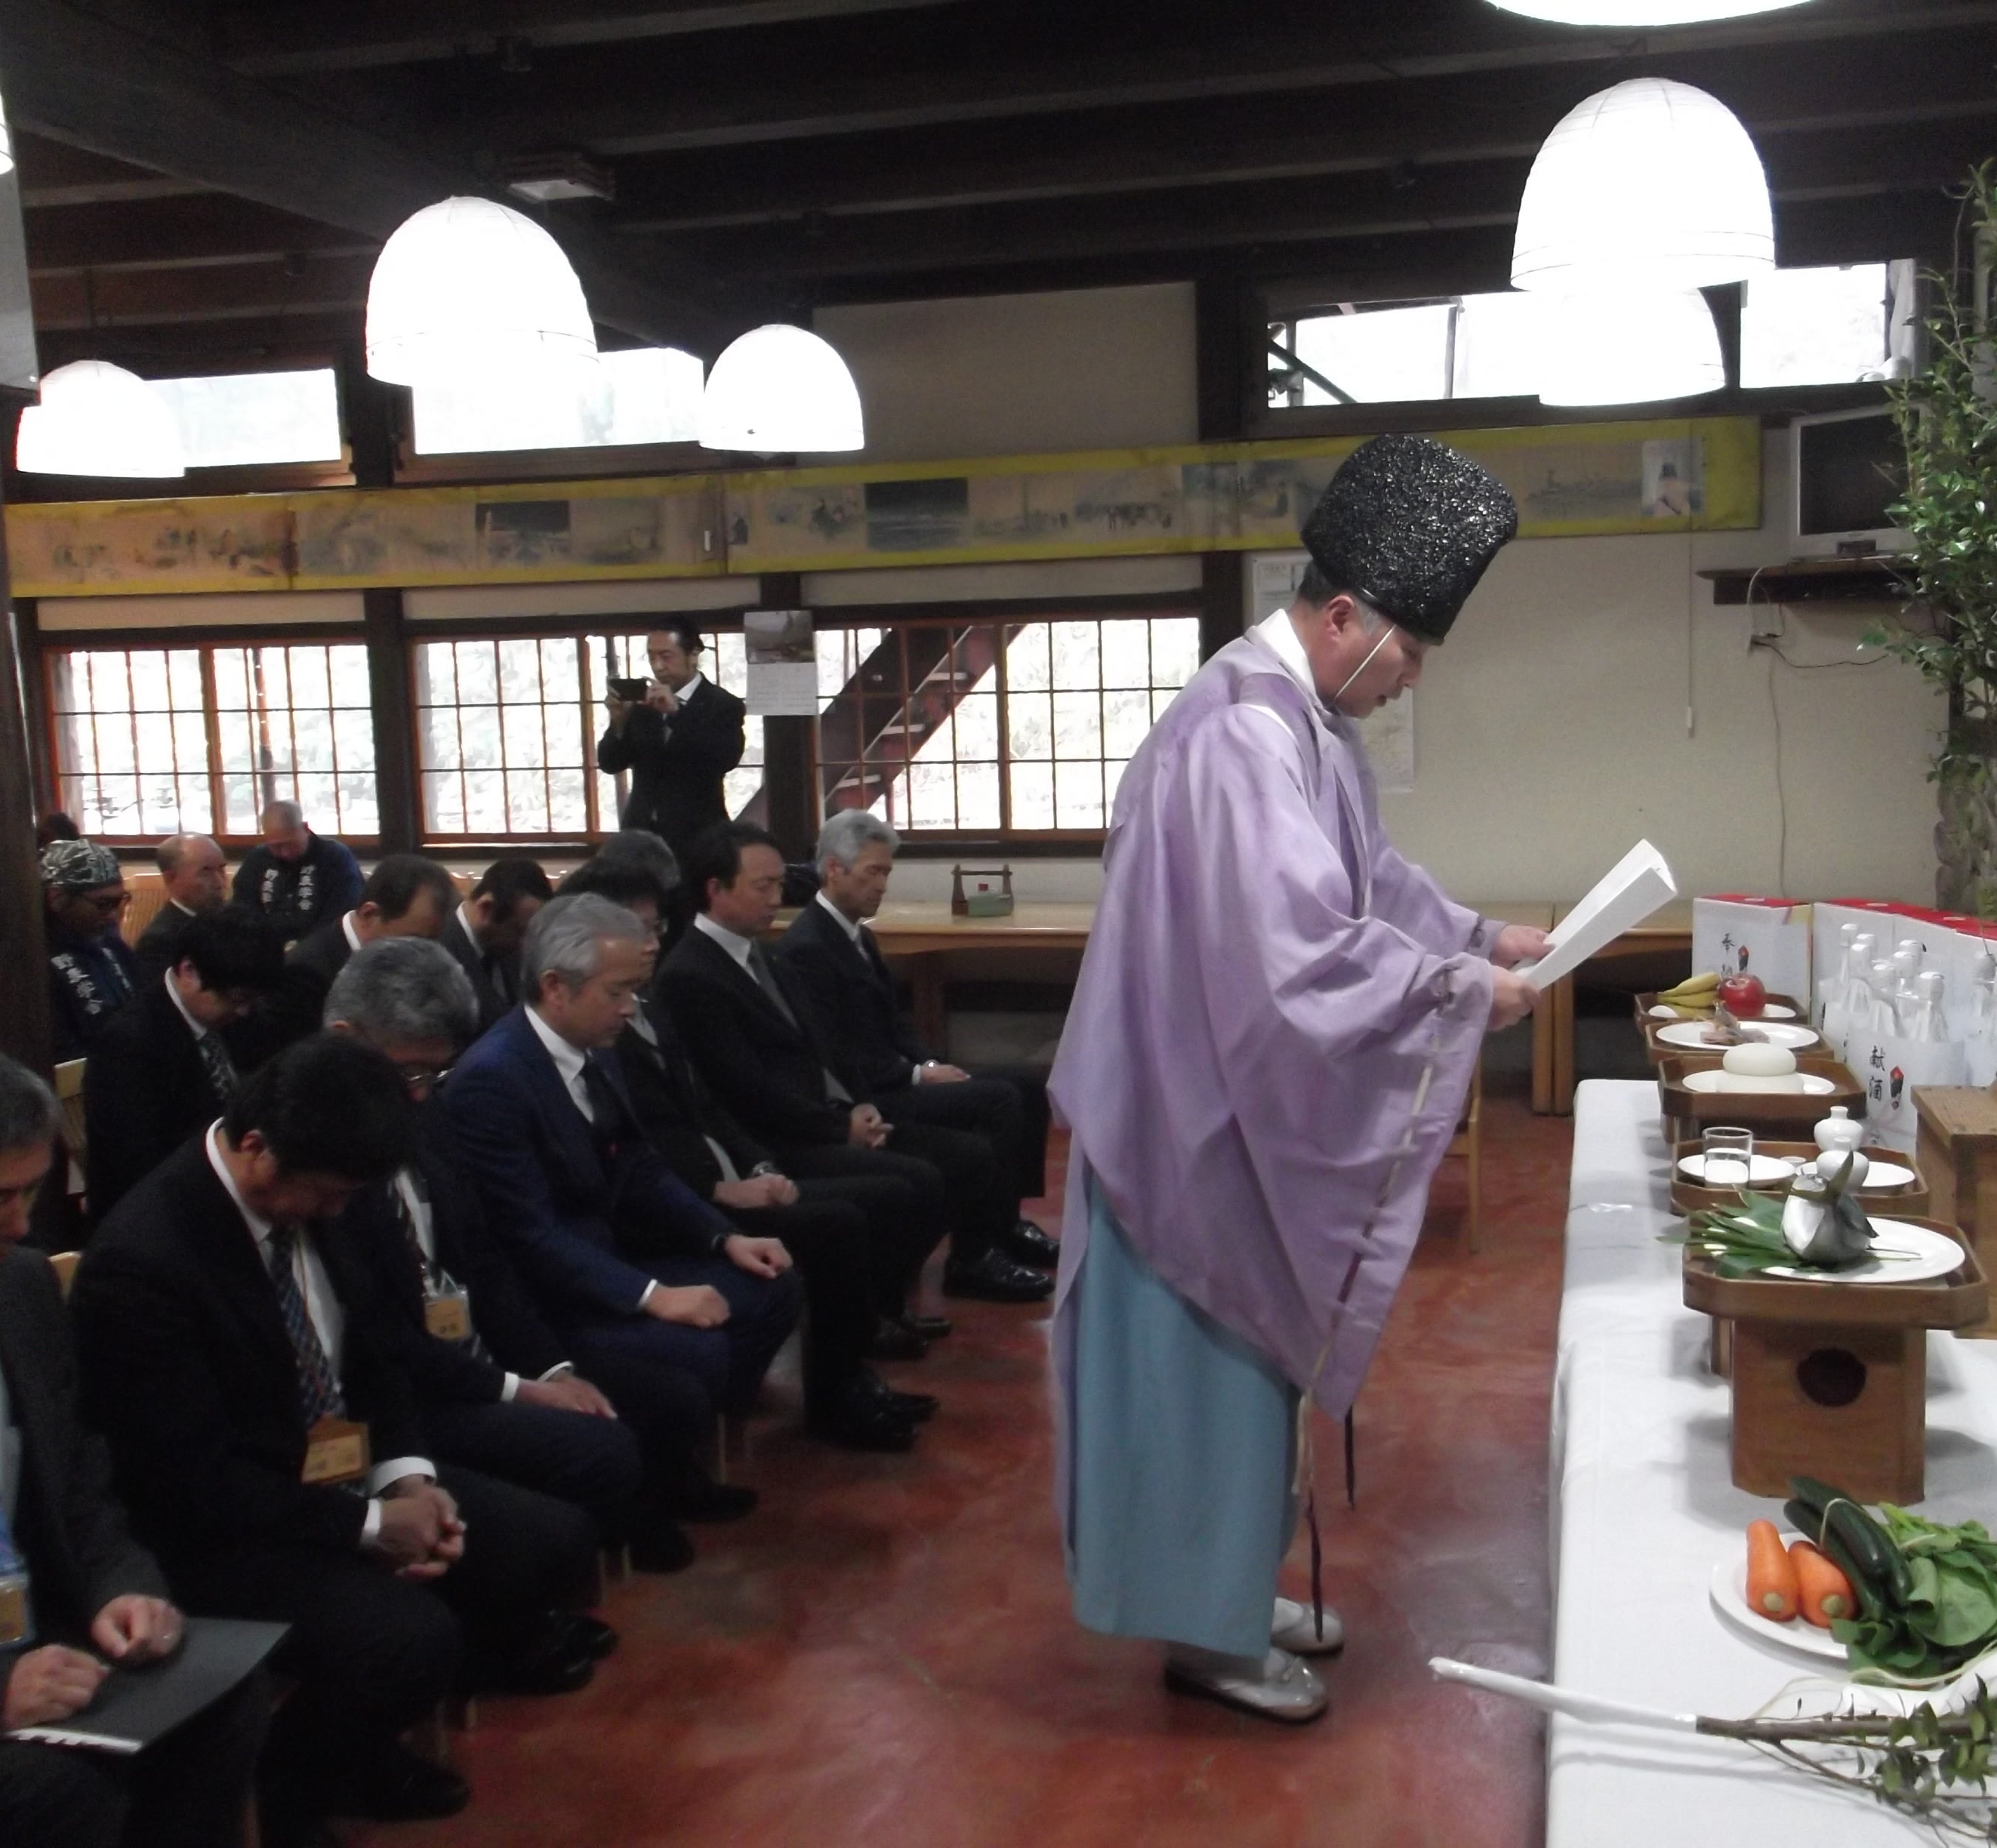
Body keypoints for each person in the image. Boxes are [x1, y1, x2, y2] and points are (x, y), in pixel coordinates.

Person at [1049, 435, 1549, 1723]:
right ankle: (1202, 1633)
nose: (1411, 677)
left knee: (1242, 1383)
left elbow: (1365, 877)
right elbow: (1295, 950)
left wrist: (1475, 936)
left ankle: (1227, 1589)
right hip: (1184, 1123)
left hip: (1220, 1100)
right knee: (1200, 1388)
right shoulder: (1239, 732)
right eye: (1408, 652)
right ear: (1342, 619)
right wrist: (1452, 992)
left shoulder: (1294, 720)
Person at [70, 1038, 606, 1838]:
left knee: (545, 1540)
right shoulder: (147, 1260)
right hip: (226, 1526)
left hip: (337, 1472)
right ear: (258, 1149)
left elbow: (375, 1354)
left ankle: (374, 1732)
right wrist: (370, 1527)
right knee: (405, 1640)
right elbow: (190, 1481)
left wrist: (408, 1479)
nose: (337, 1213)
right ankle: (288, 1792)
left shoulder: (324, 1199)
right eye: (327, 1195)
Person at [0, 1045, 267, 1848]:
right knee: (53, 1795)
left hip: (28, 1630)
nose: (21, 1227)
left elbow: (80, 1479)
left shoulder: (19, 1289)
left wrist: (119, 1587)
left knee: (221, 1699)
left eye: (31, 1193)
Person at [439, 895, 802, 1520]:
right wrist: (652, 1295)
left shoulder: (596, 1046)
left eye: (635, 990)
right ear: (556, 987)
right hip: (551, 1298)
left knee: (773, 1286)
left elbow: (640, 1167)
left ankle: (685, 1453)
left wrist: (723, 1238)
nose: (631, 1008)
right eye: (618, 991)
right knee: (696, 1354)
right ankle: (656, 1487)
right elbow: (529, 1236)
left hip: (614, 1257)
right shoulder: (493, 1080)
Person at [322, 940, 682, 1568]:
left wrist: (548, 1368)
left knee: (656, 1394)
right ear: (345, 1039)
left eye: (434, 1076)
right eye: (409, 1072)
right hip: (407, 1393)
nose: (419, 1093)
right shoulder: (319, 1148)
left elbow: (482, 1256)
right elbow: (380, 1338)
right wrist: (516, 1390)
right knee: (594, 1454)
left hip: (469, 1345)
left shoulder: (424, 1108)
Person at [558, 862, 934, 1451]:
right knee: (838, 1223)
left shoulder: (644, 1004)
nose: (652, 944)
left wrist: (758, 1166)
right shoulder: (608, 1024)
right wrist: (717, 1192)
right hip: (682, 1198)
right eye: (639, 930)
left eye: (657, 928)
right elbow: (643, 1148)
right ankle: (835, 1396)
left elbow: (709, 1106)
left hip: (724, 1169)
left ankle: (850, 1377)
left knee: (880, 1197)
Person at [658, 823, 1052, 1305]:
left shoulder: (762, 954)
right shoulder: (694, 974)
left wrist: (857, 1106)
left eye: (780, 885)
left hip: (829, 1109)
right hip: (778, 1137)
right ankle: (902, 1293)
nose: (777, 898)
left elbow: (824, 1049)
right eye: (763, 886)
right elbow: (744, 1089)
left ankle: (933, 1271)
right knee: (938, 1164)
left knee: (1000, 1109)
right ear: (715, 889)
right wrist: (843, 1122)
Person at [781, 808, 1061, 1271]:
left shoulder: (857, 936)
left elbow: (895, 1024)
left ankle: (1005, 1223)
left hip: (897, 1076)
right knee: (999, 1102)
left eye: (886, 873)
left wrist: (929, 1065)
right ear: (834, 869)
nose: (882, 885)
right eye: (873, 872)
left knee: (1028, 1087)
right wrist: (915, 1075)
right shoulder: (808, 946)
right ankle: (973, 1257)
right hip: (870, 1094)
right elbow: (836, 1053)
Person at [82, 907, 282, 1223]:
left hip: (236, 1182)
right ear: (188, 971)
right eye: (236, 999)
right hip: (161, 1208)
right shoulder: (128, 1043)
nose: (244, 1011)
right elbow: (133, 1163)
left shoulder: (241, 1017)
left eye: (251, 1001)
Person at [594, 618, 748, 863]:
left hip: (699, 834)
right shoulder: (643, 704)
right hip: (641, 834)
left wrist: (677, 714)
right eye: (651, 656)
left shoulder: (722, 705)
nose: (658, 666)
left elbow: (725, 759)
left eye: (666, 656)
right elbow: (610, 763)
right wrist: (619, 721)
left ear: (693, 655)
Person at [272, 855, 458, 1044]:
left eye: (432, 943)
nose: (424, 956)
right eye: (413, 941)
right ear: (370, 914)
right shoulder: (305, 976)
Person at [42, 839, 141, 1061]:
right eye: (102, 904)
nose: (113, 915)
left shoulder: (112, 945)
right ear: (57, 898)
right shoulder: (41, 960)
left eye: (119, 901)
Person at [230, 800, 362, 950]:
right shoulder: (257, 859)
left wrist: (306, 949)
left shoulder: (335, 857)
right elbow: (243, 908)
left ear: (305, 828)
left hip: (322, 950)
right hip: (266, 950)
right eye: (276, 846)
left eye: (290, 844)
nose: (285, 853)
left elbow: (343, 911)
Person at [441, 857, 550, 1033]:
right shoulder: (440, 951)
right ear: (486, 908)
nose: (525, 943)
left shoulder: (509, 951)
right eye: (518, 930)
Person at [131, 833, 228, 977]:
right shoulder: (159, 941)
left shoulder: (231, 920)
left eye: (221, 870)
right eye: (205, 872)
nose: (219, 882)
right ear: (170, 878)